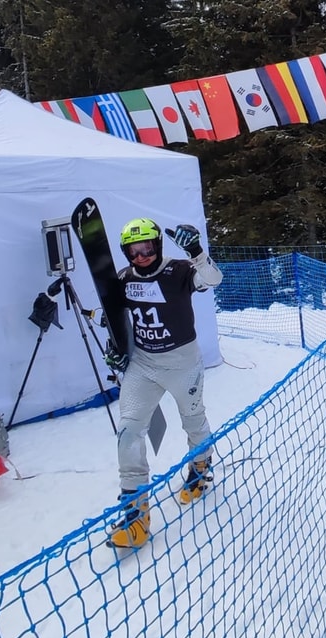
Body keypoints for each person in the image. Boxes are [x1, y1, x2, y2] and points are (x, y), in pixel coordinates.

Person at [105, 218, 223, 548]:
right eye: (133, 251)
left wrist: (197, 252)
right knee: (128, 430)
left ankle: (200, 467)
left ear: (157, 245)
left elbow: (214, 278)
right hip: (144, 364)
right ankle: (135, 515)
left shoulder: (179, 271)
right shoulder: (125, 278)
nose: (141, 256)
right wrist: (115, 348)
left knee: (192, 419)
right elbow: (116, 319)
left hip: (182, 362)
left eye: (147, 248)